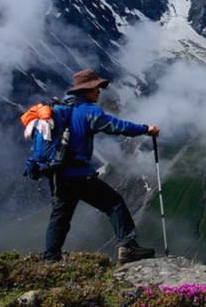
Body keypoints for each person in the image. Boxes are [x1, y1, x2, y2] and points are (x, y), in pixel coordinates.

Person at [43, 68, 159, 264]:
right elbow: (116, 126)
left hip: (58, 174)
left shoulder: (59, 111)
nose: (99, 91)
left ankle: (50, 258)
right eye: (96, 88)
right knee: (113, 203)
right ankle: (128, 247)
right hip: (79, 174)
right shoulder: (89, 111)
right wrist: (145, 129)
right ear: (85, 90)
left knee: (60, 215)